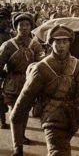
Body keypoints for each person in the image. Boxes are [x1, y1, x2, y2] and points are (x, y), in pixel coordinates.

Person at [10, 25, 79, 156]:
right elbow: (26, 97)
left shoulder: (77, 65)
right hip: (51, 116)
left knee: (60, 149)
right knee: (59, 151)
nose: (61, 45)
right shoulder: (42, 68)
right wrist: (18, 146)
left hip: (72, 117)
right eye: (57, 42)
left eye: (65, 41)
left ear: (70, 43)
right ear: (50, 43)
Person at [0, 13, 45, 144]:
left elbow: (41, 63)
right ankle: (17, 145)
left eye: (27, 25)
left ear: (31, 27)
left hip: (29, 84)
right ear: (16, 28)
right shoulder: (8, 45)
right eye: (21, 25)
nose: (24, 28)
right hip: (12, 83)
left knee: (24, 112)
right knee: (15, 114)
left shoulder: (35, 45)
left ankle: (21, 136)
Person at [0, 7, 12, 129]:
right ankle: (3, 121)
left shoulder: (8, 35)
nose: (3, 22)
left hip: (6, 68)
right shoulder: (7, 35)